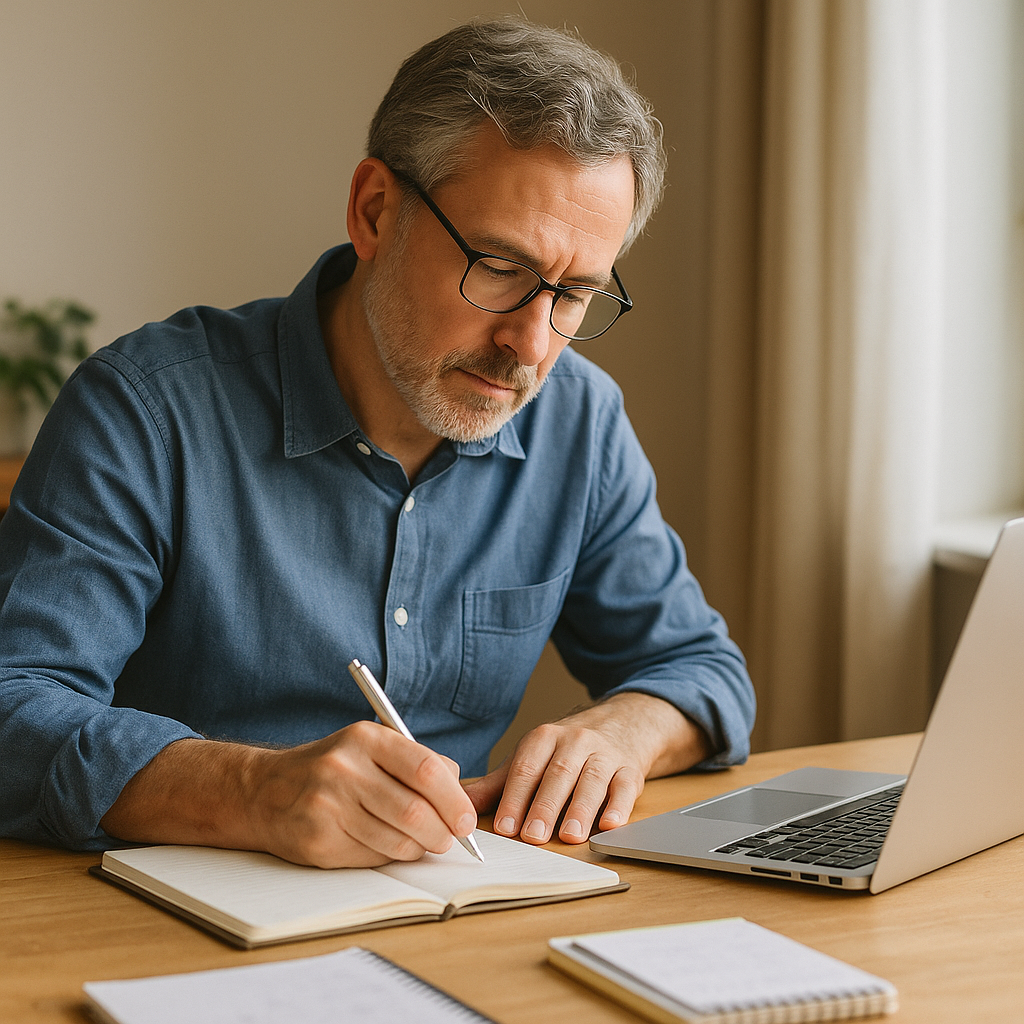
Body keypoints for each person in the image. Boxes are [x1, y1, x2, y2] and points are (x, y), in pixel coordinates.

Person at [0, 17, 754, 867]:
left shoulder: (578, 422)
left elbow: (702, 672)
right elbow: (13, 705)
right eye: (499, 268)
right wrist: (247, 790)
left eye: (574, 294)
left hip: (447, 914)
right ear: (373, 210)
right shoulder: (144, 411)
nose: (533, 344)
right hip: (167, 929)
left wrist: (625, 730)